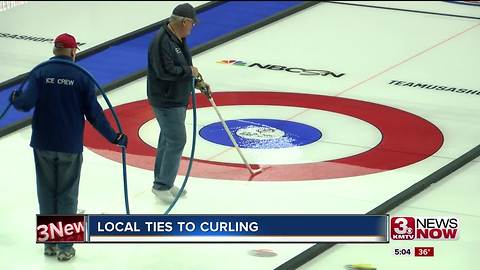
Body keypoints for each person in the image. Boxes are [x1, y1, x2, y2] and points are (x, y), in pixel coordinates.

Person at [10, 33, 128, 261]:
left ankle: (50, 244)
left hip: (43, 143)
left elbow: (24, 104)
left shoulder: (40, 72)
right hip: (69, 146)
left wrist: (16, 97)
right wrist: (114, 138)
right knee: (67, 194)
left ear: (55, 50)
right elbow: (95, 115)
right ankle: (66, 247)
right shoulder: (81, 76)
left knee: (46, 192)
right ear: (73, 52)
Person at [147, 3, 211, 203]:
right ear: (183, 22)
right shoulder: (162, 42)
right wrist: (188, 72)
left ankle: (163, 181)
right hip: (166, 100)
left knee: (167, 139)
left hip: (177, 99)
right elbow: (164, 71)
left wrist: (198, 81)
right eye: (192, 23)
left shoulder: (177, 38)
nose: (193, 27)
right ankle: (162, 185)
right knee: (176, 140)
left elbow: (185, 66)